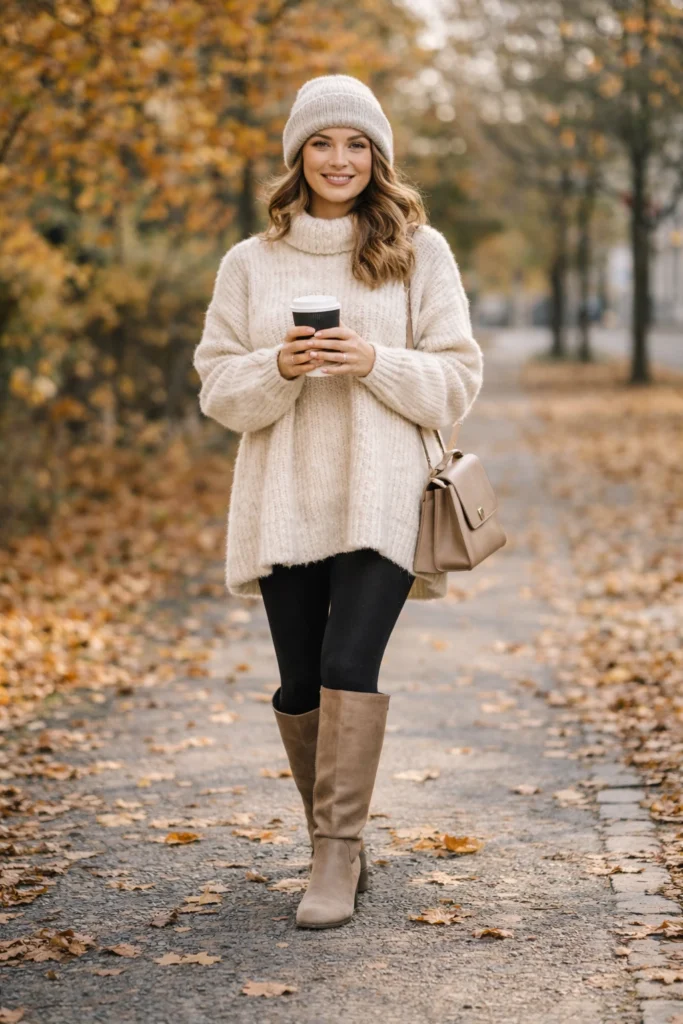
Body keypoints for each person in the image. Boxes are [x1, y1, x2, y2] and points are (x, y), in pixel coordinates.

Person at [193, 75, 484, 929]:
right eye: (322, 143)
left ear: (377, 157)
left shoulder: (417, 252)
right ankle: (335, 837)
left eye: (356, 144)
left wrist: (374, 361)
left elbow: (459, 377)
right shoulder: (249, 262)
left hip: (384, 496)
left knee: (346, 668)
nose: (339, 160)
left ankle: (335, 857)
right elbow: (217, 387)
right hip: (283, 498)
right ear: (297, 156)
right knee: (297, 686)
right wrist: (276, 368)